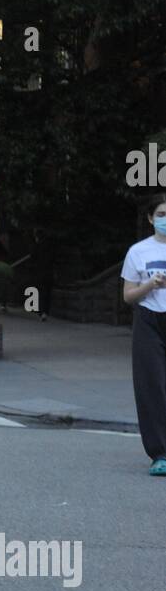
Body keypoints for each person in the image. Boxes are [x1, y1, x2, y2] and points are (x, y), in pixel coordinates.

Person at [121, 193, 166, 476]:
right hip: (149, 321)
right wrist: (150, 284)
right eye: (161, 215)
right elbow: (128, 296)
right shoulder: (138, 252)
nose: (165, 220)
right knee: (152, 386)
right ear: (150, 218)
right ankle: (160, 454)